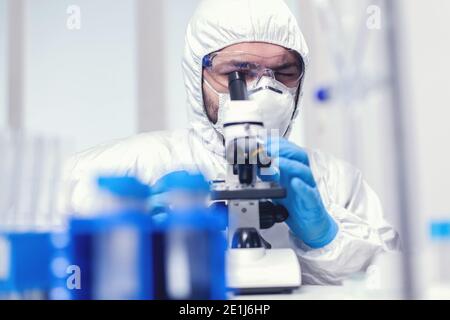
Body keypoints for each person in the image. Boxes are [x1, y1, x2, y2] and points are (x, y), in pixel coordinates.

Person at [62, 0, 400, 285]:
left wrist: (327, 235)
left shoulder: (336, 182)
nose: (265, 90)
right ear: (198, 78)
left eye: (284, 73)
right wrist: (122, 242)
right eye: (238, 74)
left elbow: (391, 281)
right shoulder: (121, 169)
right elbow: (42, 270)